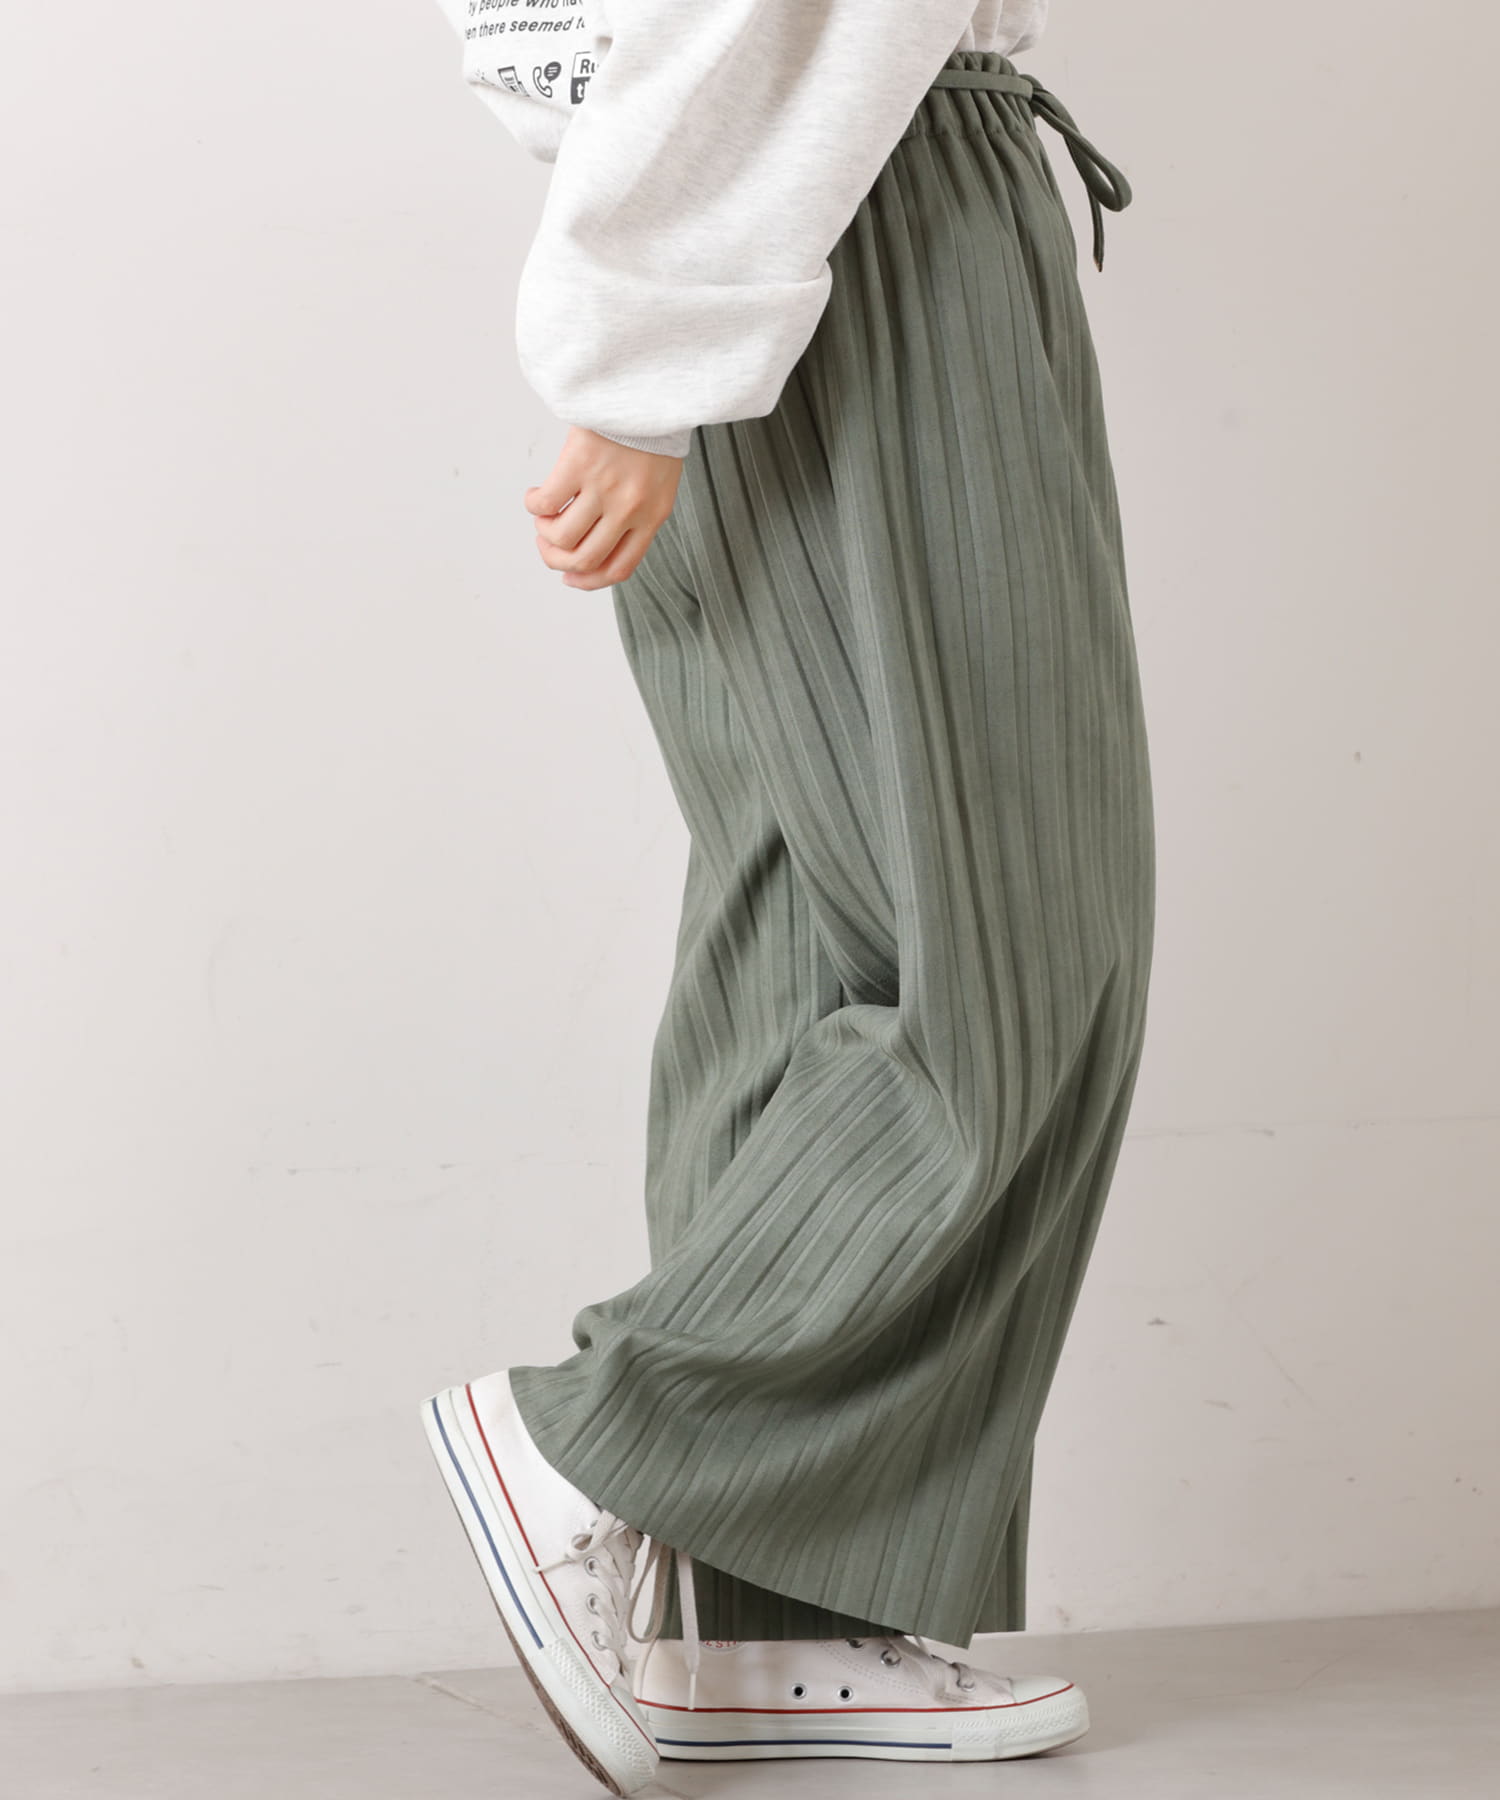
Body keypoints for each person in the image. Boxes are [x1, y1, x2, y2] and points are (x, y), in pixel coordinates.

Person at [420, 1, 1155, 1792]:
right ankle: (612, 1444)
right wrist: (655, 324)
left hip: (749, 181)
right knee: (1006, 952)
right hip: (841, 181)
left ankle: (754, 1616)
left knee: (808, 938)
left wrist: (650, 269)